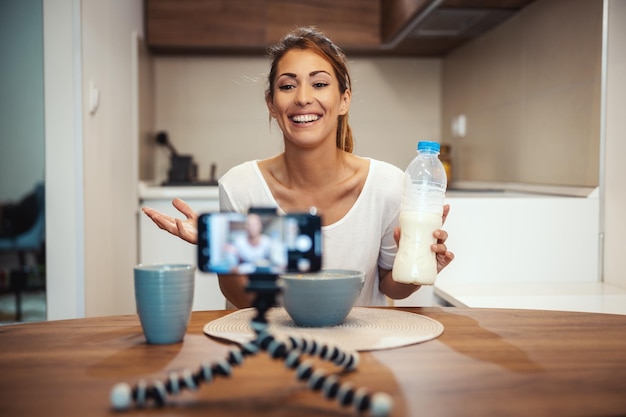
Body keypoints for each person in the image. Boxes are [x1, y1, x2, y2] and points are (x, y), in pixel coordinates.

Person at [142, 26, 454, 309]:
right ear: (271, 103)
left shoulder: (387, 185)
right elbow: (242, 300)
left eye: (319, 84)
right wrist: (222, 247)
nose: (303, 98)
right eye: (288, 86)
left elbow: (391, 287)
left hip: (361, 352)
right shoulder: (241, 187)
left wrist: (418, 264)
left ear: (344, 100)